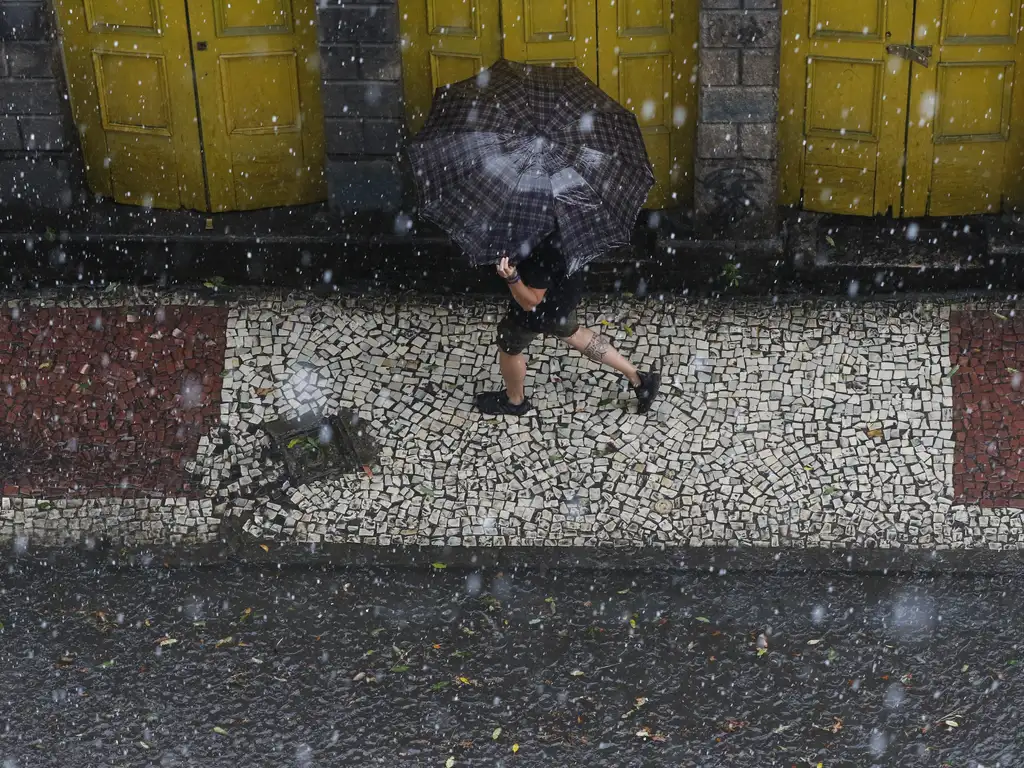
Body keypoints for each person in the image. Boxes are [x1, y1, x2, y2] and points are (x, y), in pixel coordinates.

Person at [475, 232, 661, 416]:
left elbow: (530, 301)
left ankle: (514, 401)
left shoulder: (540, 246)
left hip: (540, 309)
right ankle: (639, 378)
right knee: (573, 332)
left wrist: (512, 277)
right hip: (563, 295)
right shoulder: (563, 223)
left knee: (509, 346)